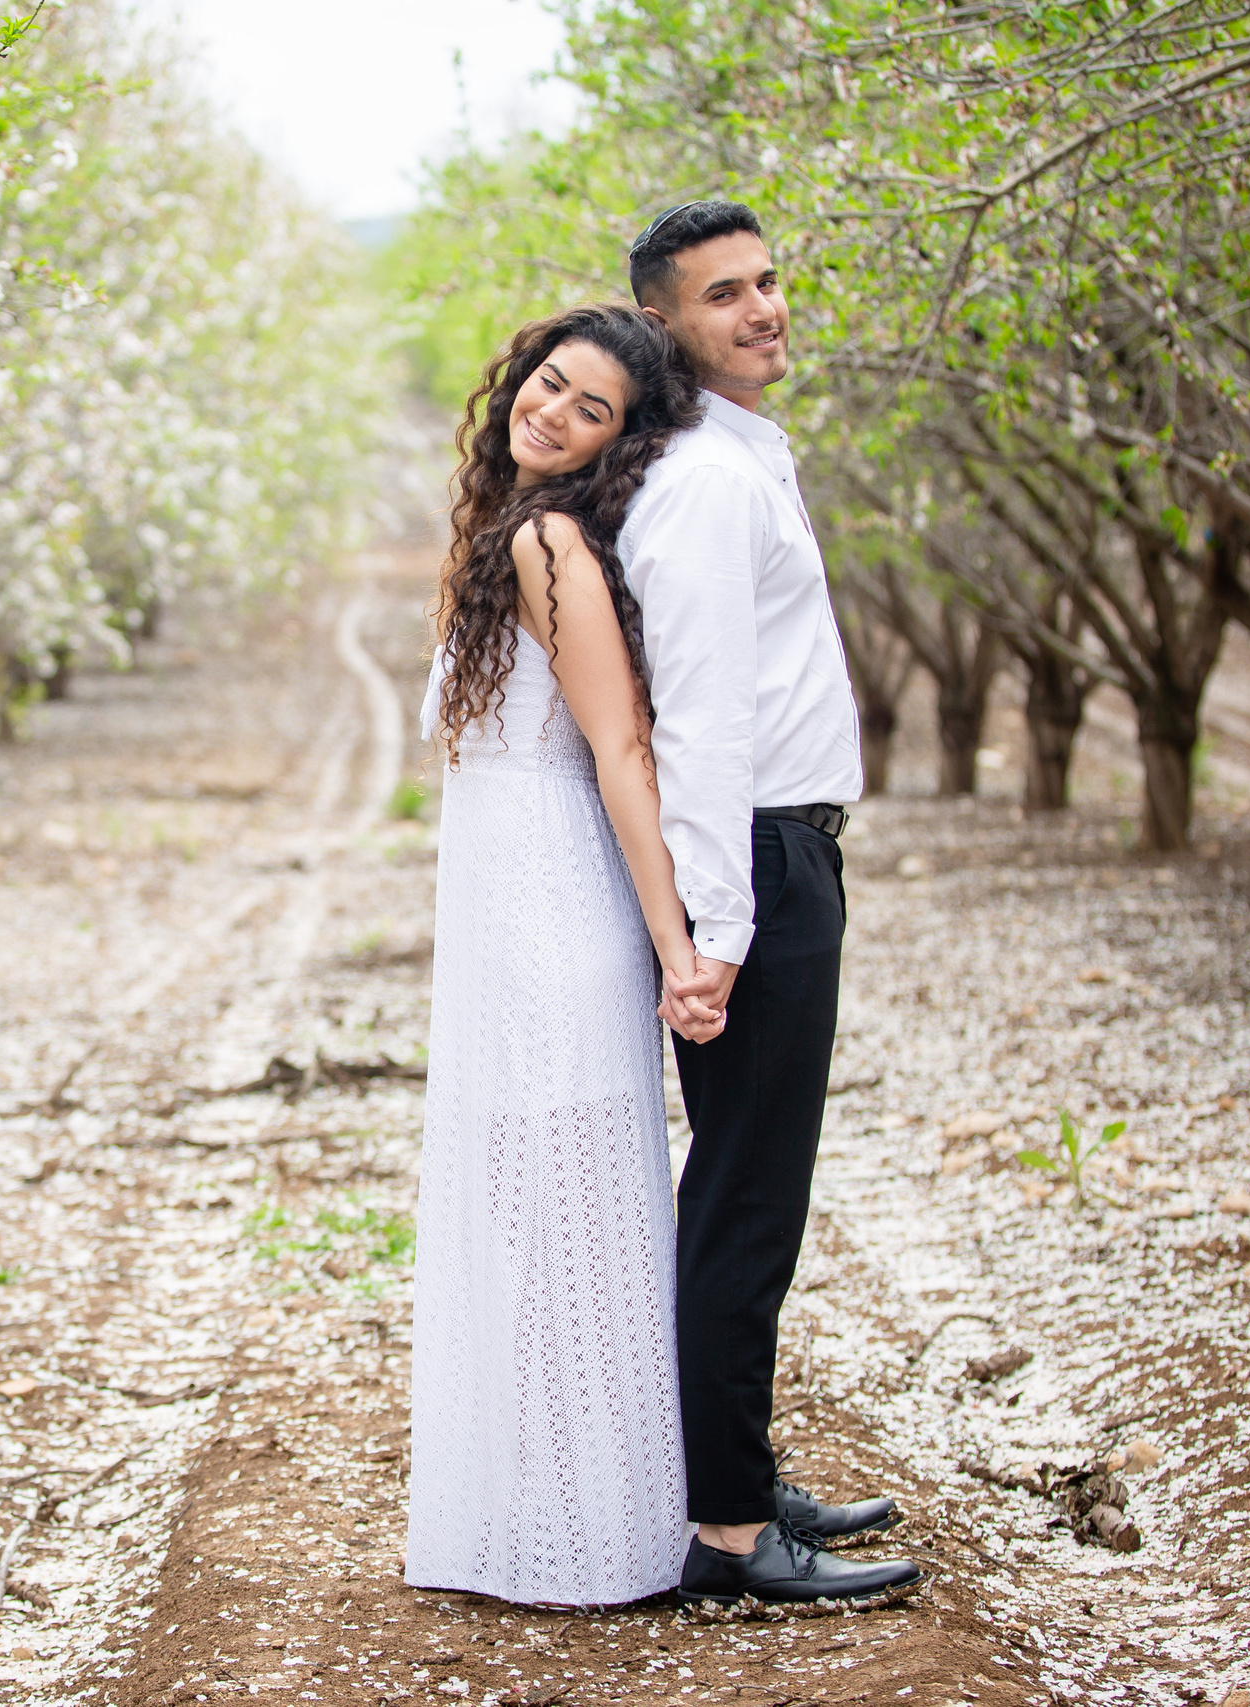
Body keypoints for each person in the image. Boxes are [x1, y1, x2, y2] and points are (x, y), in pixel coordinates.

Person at [622, 199, 922, 1604]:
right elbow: (698, 722)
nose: (762, 309)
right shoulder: (701, 481)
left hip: (785, 852)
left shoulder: (746, 456)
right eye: (723, 295)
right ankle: (732, 1531)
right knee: (748, 1200)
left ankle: (724, 1468)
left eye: (769, 281)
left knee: (750, 1190)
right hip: (753, 862)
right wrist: (722, 931)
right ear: (667, 326)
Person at [405, 302, 712, 1607]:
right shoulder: (499, 536)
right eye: (550, 384)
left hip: (553, 919)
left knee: (572, 1229)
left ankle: (601, 1536)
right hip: (501, 923)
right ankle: (538, 1511)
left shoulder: (550, 546)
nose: (554, 413)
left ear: (616, 445)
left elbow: (622, 749)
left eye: (593, 410)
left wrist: (675, 945)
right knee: (530, 1227)